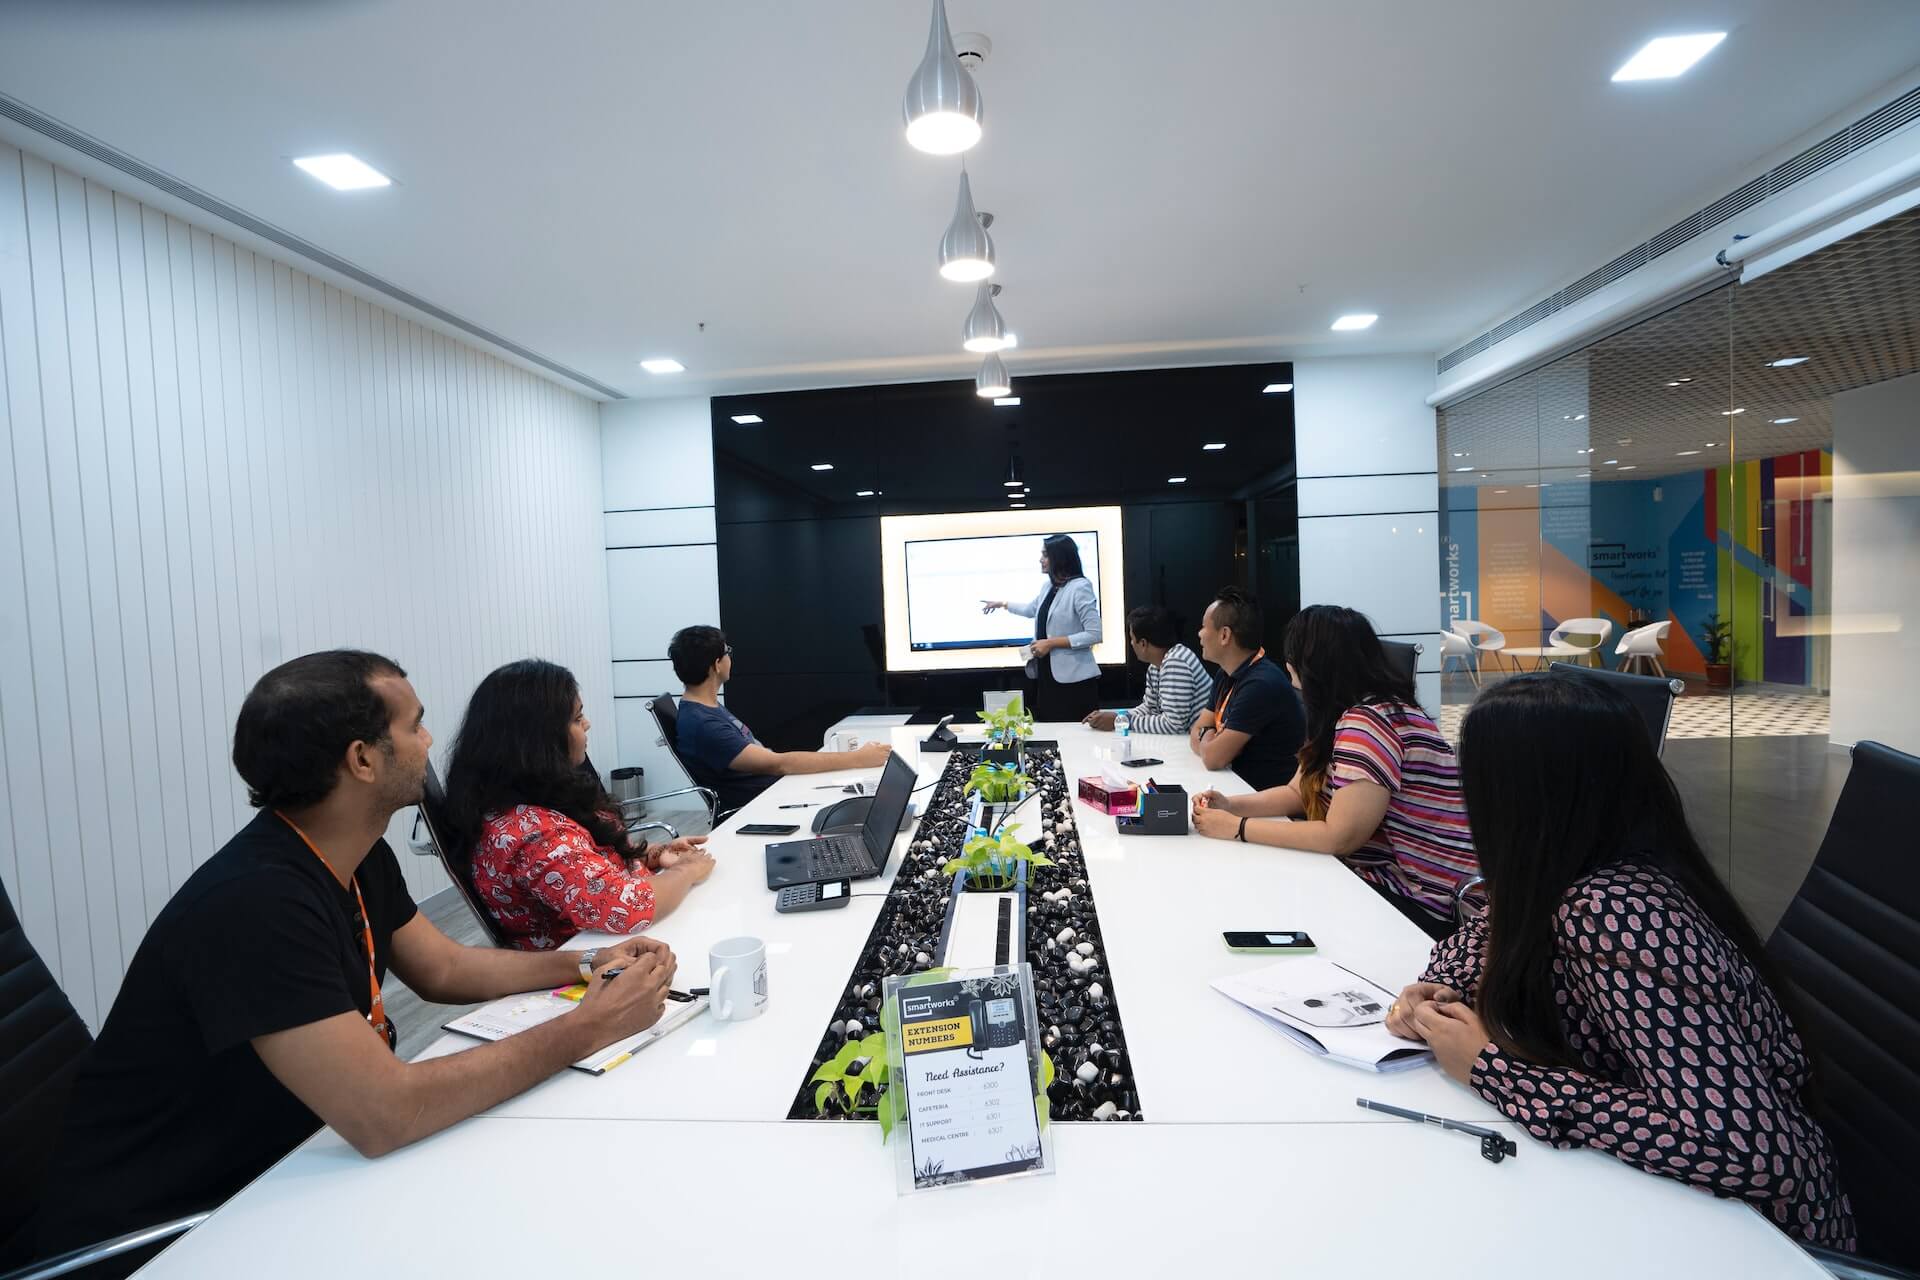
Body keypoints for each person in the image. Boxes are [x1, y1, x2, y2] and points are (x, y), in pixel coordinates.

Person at [29, 652, 680, 1274]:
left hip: (298, 1163)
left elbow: (446, 969)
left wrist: (587, 963)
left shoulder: (353, 853)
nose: (430, 742)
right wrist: (588, 1028)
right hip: (180, 1228)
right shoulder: (256, 904)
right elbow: (384, 1113)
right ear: (363, 759)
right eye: (415, 723)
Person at [1382, 672, 1854, 1250]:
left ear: (1518, 797)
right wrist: (1434, 993)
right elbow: (1485, 937)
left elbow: (1752, 1152)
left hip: (1756, 1240)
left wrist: (1494, 1071)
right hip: (1652, 1199)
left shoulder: (1614, 913)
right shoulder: (1561, 866)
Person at [1191, 605, 1476, 939]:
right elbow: (1298, 793)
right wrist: (1231, 806)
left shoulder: (1368, 723)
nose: (1287, 665)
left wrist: (1238, 828)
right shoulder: (1344, 714)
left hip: (1425, 900)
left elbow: (1340, 836)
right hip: (1386, 879)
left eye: (1293, 655)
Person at [443, 659, 717, 951]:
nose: (587, 724)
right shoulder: (533, 836)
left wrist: (651, 855)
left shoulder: (535, 796)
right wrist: (686, 871)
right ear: (538, 739)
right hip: (590, 964)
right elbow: (628, 908)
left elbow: (585, 862)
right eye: (576, 718)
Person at [669, 625, 890, 813]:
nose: (730, 657)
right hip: (765, 806)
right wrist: (858, 758)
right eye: (727, 651)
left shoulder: (706, 709)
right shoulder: (703, 725)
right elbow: (778, 764)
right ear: (717, 664)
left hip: (776, 792)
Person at [1186, 586, 1304, 788]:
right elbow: (1196, 729)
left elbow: (1214, 759)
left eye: (1203, 626)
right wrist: (1210, 737)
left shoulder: (1261, 684)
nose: (1199, 634)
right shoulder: (1226, 673)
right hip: (1237, 785)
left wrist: (1208, 738)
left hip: (1269, 802)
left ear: (1224, 635)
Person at [979, 533, 1103, 722]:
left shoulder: (1080, 587)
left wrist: (1051, 643)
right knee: (1051, 727)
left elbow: (1094, 634)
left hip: (1074, 680)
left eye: (1045, 555)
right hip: (1047, 675)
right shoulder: (1049, 587)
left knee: (1074, 733)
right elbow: (1031, 609)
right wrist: (1002, 604)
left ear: (1059, 557)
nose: (1040, 559)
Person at [1084, 605, 1209, 734]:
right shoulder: (1156, 665)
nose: (1131, 644)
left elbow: (1174, 725)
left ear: (1143, 643)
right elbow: (1149, 708)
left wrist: (1121, 721)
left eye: (1132, 639)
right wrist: (1115, 716)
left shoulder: (1176, 662)